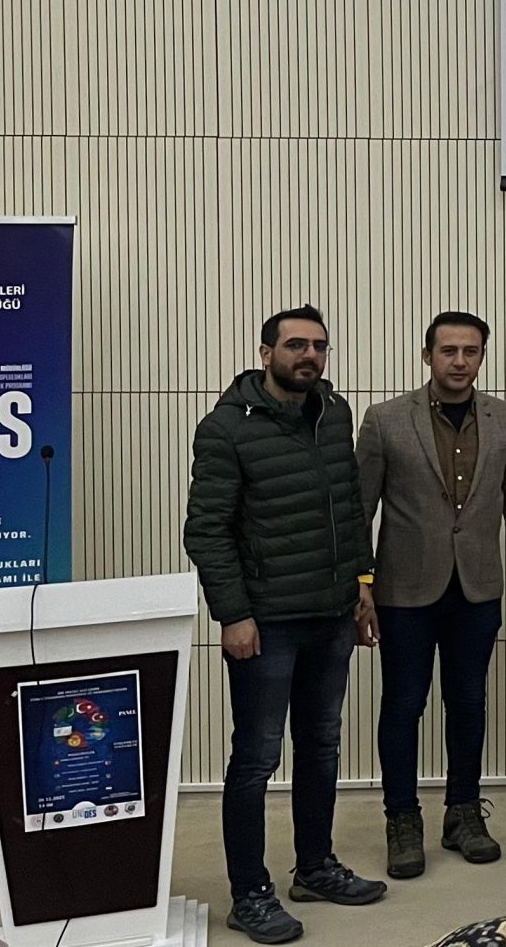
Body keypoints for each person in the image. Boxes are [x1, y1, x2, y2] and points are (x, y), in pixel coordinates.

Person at [184, 304, 388, 944]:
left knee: (322, 746)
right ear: (266, 351)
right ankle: (249, 894)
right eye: (296, 345)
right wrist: (234, 614)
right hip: (266, 624)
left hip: (332, 615)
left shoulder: (334, 414)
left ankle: (315, 868)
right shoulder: (226, 428)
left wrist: (363, 586)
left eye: (319, 346)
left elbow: (350, 509)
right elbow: (207, 530)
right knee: (256, 759)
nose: (309, 356)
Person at [356, 311, 506, 880]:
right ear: (427, 355)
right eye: (449, 351)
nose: (460, 361)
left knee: (467, 703)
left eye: (471, 351)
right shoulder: (385, 420)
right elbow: (359, 510)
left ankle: (463, 813)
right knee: (403, 705)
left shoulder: (505, 419)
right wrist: (361, 585)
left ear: (482, 356)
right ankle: (401, 819)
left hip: (477, 588)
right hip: (404, 591)